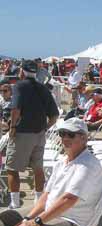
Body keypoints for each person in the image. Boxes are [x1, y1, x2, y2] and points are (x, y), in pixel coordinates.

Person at [7, 60, 59, 209]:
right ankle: (38, 201)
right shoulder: (43, 88)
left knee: (12, 168)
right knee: (38, 169)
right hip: (39, 134)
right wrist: (44, 127)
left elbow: (15, 110)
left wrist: (13, 127)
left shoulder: (19, 86)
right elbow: (54, 116)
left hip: (23, 133)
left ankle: (15, 203)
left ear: (22, 72)